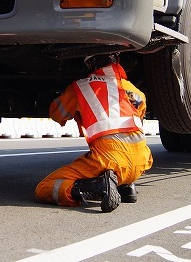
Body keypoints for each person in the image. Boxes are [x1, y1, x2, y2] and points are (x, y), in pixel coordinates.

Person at [35, 53, 153, 213]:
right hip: (142, 162)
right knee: (122, 152)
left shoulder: (80, 88)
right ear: (117, 61)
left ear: (90, 64)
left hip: (109, 160)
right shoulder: (136, 92)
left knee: (45, 187)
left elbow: (57, 114)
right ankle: (126, 186)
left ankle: (99, 187)